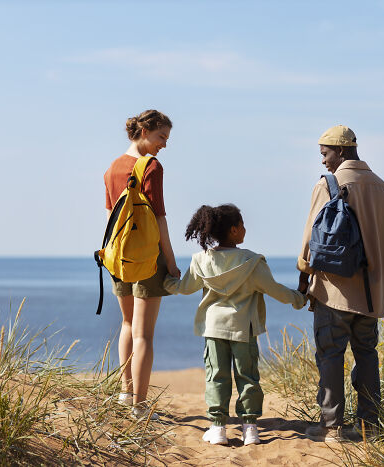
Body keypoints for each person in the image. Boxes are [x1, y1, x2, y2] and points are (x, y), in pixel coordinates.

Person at [164, 204, 306, 446]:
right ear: (233, 230)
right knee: (247, 377)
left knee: (216, 376)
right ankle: (250, 429)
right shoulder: (252, 262)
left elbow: (184, 288)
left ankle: (218, 428)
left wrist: (165, 281)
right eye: (241, 225)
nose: (244, 229)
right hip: (244, 329)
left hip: (213, 328)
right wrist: (299, 299)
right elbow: (276, 290)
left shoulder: (201, 260)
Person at [297, 125, 384, 442]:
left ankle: (332, 426)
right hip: (372, 292)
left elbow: (309, 245)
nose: (323, 161)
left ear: (340, 150)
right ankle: (369, 426)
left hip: (334, 289)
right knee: (367, 354)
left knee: (330, 354)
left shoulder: (328, 185)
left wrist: (304, 271)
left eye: (325, 154)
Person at [103, 109, 180, 419]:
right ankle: (140, 405)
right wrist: (171, 263)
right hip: (149, 258)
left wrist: (109, 254)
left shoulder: (111, 168)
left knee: (126, 324)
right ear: (145, 131)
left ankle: (125, 393)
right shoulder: (150, 166)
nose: (164, 144)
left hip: (117, 254)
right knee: (144, 334)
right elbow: (159, 217)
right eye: (162, 137)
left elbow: (110, 217)